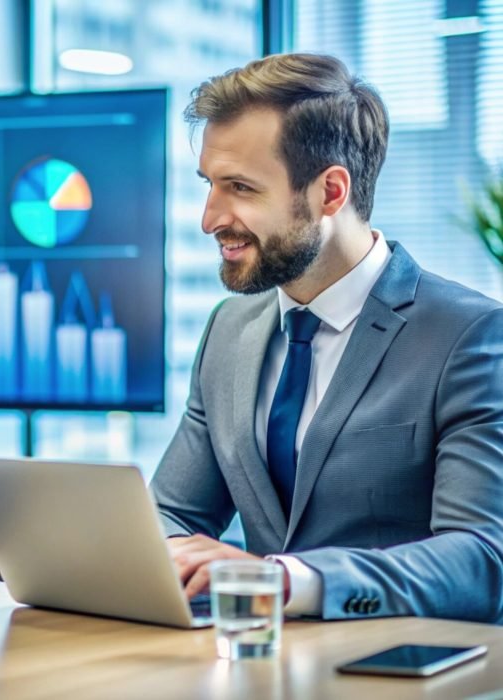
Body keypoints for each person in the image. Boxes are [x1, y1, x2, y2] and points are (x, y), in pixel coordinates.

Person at [151, 53, 503, 622]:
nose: (210, 218)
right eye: (210, 185)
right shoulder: (227, 330)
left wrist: (285, 580)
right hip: (258, 658)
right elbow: (172, 515)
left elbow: (481, 562)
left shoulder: (469, 336)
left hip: (399, 662)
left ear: (331, 192)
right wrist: (162, 558)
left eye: (240, 187)